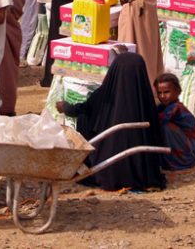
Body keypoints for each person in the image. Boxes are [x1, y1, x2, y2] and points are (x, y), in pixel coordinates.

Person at [58, 52, 166, 190]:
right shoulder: (145, 99)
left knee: (85, 118)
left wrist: (65, 107)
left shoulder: (103, 95)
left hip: (106, 170)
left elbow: (82, 109)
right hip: (142, 172)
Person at [0, 0, 25, 116]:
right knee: (10, 73)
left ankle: (2, 108)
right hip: (13, 33)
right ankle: (8, 107)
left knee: (1, 74)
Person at [154, 73, 195, 171]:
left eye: (166, 92)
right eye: (159, 93)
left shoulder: (176, 108)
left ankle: (174, 161)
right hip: (183, 144)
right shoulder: (162, 107)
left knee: (166, 127)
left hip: (190, 152)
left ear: (177, 91)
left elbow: (157, 121)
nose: (162, 96)